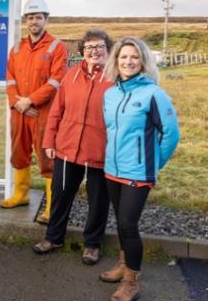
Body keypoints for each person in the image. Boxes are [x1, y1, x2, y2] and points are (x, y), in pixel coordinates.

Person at [100, 37, 179, 301]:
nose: (128, 61)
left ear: (143, 60)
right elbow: (110, 131)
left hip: (138, 172)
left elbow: (171, 135)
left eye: (134, 57)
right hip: (112, 169)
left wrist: (153, 165)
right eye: (123, 57)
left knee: (128, 224)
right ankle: (123, 265)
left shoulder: (154, 93)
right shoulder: (110, 94)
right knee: (121, 224)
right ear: (116, 60)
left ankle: (131, 282)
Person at [33, 29, 113, 265]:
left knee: (98, 200)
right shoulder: (70, 76)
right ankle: (53, 237)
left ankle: (92, 244)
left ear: (108, 50)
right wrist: (49, 140)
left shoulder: (115, 78)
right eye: (89, 48)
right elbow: (57, 110)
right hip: (67, 147)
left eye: (99, 47)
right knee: (60, 195)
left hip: (100, 149)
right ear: (82, 52)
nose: (94, 52)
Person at [0, 0, 68, 225]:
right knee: (18, 152)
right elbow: (10, 79)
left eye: (38, 17)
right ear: (25, 21)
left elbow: (56, 80)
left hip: (43, 114)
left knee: (47, 158)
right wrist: (17, 102)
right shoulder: (16, 48)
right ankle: (21, 194)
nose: (34, 21)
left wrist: (30, 101)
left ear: (46, 19)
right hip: (19, 112)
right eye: (30, 17)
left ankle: (51, 206)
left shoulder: (57, 47)